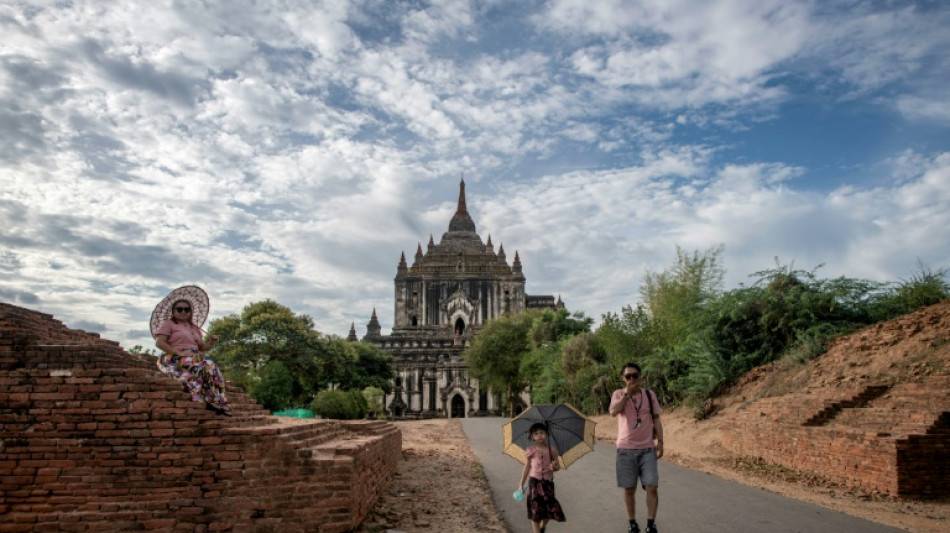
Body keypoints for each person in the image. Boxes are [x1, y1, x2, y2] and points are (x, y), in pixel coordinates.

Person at [609, 363, 664, 533]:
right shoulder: (618, 394)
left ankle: (650, 524)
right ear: (622, 378)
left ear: (640, 377)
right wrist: (626, 395)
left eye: (635, 376)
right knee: (629, 489)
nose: (632, 379)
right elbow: (613, 412)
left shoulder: (649, 394)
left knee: (652, 487)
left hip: (647, 448)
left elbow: (656, 419)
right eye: (628, 376)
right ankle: (632, 523)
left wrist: (661, 441)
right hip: (625, 449)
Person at [154, 298, 231, 415]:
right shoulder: (169, 324)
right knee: (207, 364)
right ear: (173, 311)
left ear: (190, 312)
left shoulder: (194, 328)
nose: (183, 312)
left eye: (187, 309)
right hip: (174, 358)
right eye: (179, 309)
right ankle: (199, 398)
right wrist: (178, 353)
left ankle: (216, 401)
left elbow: (201, 347)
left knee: (211, 367)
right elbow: (160, 343)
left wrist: (211, 343)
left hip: (194, 358)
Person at [517, 422, 566, 533]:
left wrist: (554, 467)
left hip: (548, 484)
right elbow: (527, 467)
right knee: (535, 511)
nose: (539, 435)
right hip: (534, 483)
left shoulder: (552, 450)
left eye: (542, 433)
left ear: (547, 433)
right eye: (536, 433)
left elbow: (558, 467)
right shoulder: (530, 450)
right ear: (532, 436)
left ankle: (542, 526)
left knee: (550, 510)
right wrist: (521, 483)